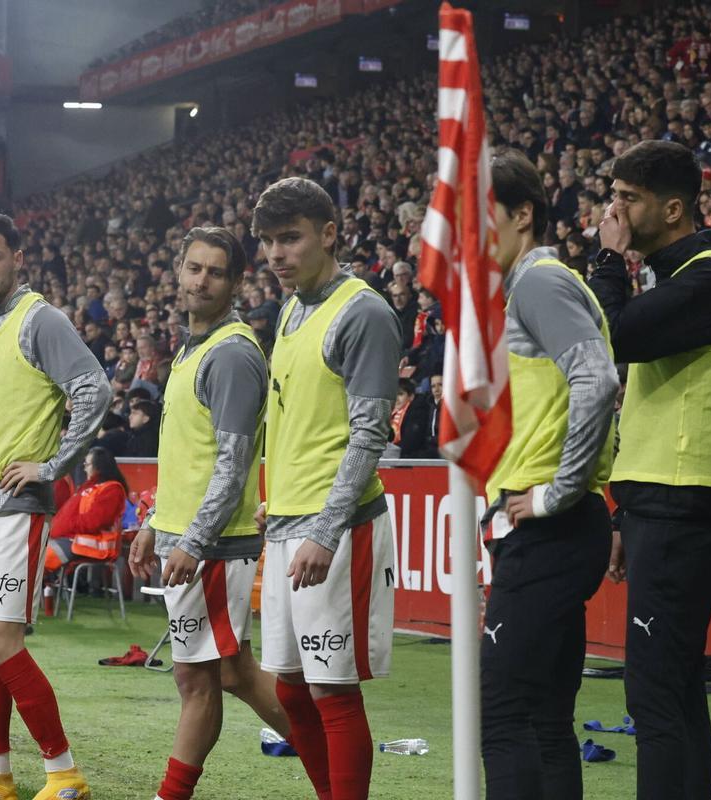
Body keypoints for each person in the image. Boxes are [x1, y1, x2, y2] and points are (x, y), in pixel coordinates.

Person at [590, 140, 711, 800]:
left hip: (687, 498)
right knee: (678, 686)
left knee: (653, 690)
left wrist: (606, 259)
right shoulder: (678, 279)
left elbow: (611, 335)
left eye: (628, 198)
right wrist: (625, 509)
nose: (615, 209)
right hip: (661, 497)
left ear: (676, 207)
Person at [0, 212, 110, 800]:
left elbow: (94, 389)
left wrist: (52, 466)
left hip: (15, 505)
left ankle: (65, 773)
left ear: (18, 258)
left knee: (3, 643)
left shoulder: (41, 319)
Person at [127, 226, 291, 800]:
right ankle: (334, 767)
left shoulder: (232, 355)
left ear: (236, 281)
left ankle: (169, 796)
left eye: (215, 271)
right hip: (190, 539)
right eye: (194, 268)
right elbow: (188, 459)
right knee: (226, 671)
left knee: (202, 676)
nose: (201, 280)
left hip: (215, 546)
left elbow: (232, 464)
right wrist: (154, 524)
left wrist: (192, 541)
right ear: (177, 270)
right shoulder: (193, 347)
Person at [252, 177, 400, 800]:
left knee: (331, 690)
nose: (276, 255)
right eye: (267, 242)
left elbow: (368, 436)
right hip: (287, 523)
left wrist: (323, 527)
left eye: (291, 239)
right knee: (288, 684)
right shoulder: (290, 309)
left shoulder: (361, 311)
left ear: (330, 234)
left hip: (335, 528)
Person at [481, 150, 619, 800]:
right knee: (542, 718)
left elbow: (598, 379)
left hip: (550, 529)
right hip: (555, 526)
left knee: (504, 712)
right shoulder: (528, 287)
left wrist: (558, 491)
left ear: (524, 214)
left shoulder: (539, 282)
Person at [45, 447, 127, 574]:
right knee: (34, 557)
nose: (84, 468)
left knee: (40, 561)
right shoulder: (91, 487)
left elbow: (94, 522)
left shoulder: (112, 490)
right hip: (72, 540)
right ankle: (43, 591)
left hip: (90, 545)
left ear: (99, 467)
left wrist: (65, 526)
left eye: (87, 464)